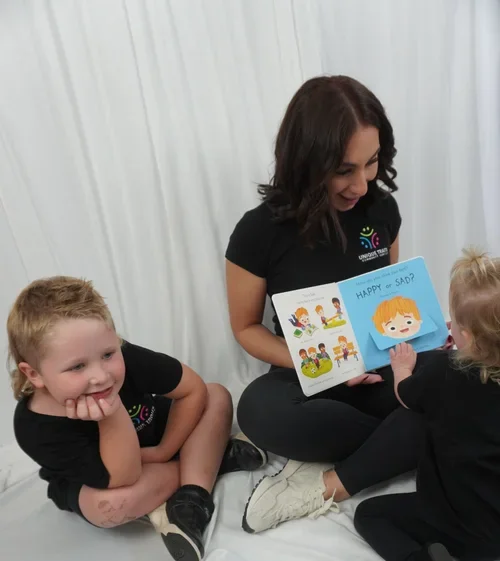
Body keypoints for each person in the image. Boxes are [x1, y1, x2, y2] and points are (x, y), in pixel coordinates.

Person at [225, 75, 452, 533]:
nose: (362, 184)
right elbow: (246, 328)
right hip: (305, 377)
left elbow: (389, 299)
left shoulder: (380, 210)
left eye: (371, 164)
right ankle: (411, 442)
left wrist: (419, 336)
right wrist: (326, 365)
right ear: (306, 163)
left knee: (462, 379)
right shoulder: (258, 231)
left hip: (382, 369)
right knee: (257, 409)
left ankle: (328, 481)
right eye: (344, 170)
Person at [9, 276, 267, 561]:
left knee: (215, 394)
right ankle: (209, 462)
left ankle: (191, 500)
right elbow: (123, 476)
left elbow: (192, 388)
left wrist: (163, 450)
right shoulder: (33, 426)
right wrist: (112, 414)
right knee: (109, 506)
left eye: (108, 354)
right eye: (77, 366)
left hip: (157, 442)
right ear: (33, 374)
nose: (101, 376)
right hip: (111, 479)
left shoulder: (122, 356)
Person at [354, 248, 500, 561]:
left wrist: (402, 369)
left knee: (369, 514)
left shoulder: (443, 371)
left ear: (466, 336)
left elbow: (405, 395)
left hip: (458, 522)